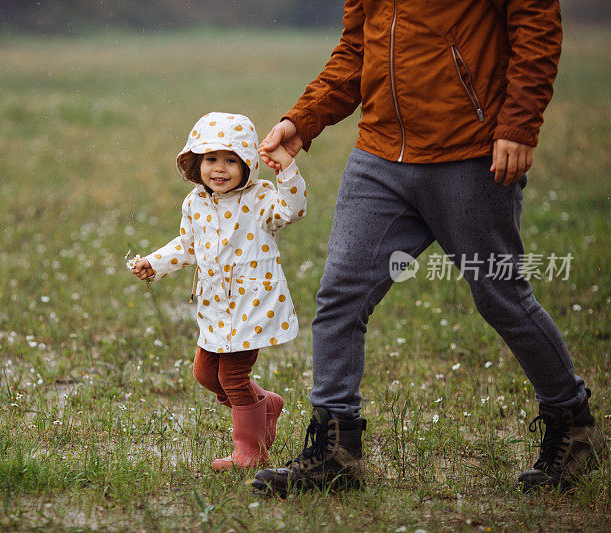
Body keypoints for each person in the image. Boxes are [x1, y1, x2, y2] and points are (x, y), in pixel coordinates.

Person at [250, 0, 604, 495]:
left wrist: (519, 124)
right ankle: (336, 452)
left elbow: (536, 28)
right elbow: (357, 50)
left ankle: (574, 425)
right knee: (340, 296)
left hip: (471, 152)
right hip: (380, 158)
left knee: (502, 297)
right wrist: (302, 120)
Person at [130, 112, 307, 470]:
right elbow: (187, 245)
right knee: (204, 373)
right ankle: (265, 404)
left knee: (232, 376)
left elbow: (293, 210)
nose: (220, 169)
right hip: (215, 303)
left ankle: (250, 451)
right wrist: (155, 262)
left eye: (231, 160)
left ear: (247, 164)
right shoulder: (195, 202)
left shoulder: (261, 197)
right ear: (196, 163)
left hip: (253, 301)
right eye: (211, 159)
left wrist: (286, 170)